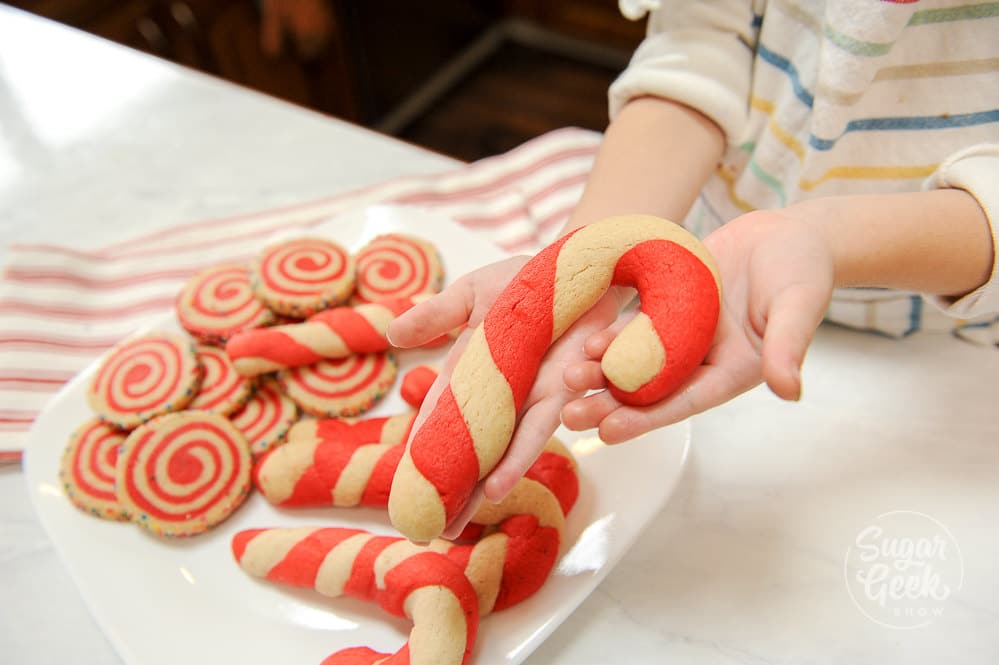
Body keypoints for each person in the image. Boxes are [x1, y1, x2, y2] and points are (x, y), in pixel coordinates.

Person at [387, 0, 999, 534]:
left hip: (951, 349)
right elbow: (699, 50)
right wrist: (578, 269)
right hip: (723, 291)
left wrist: (827, 237)